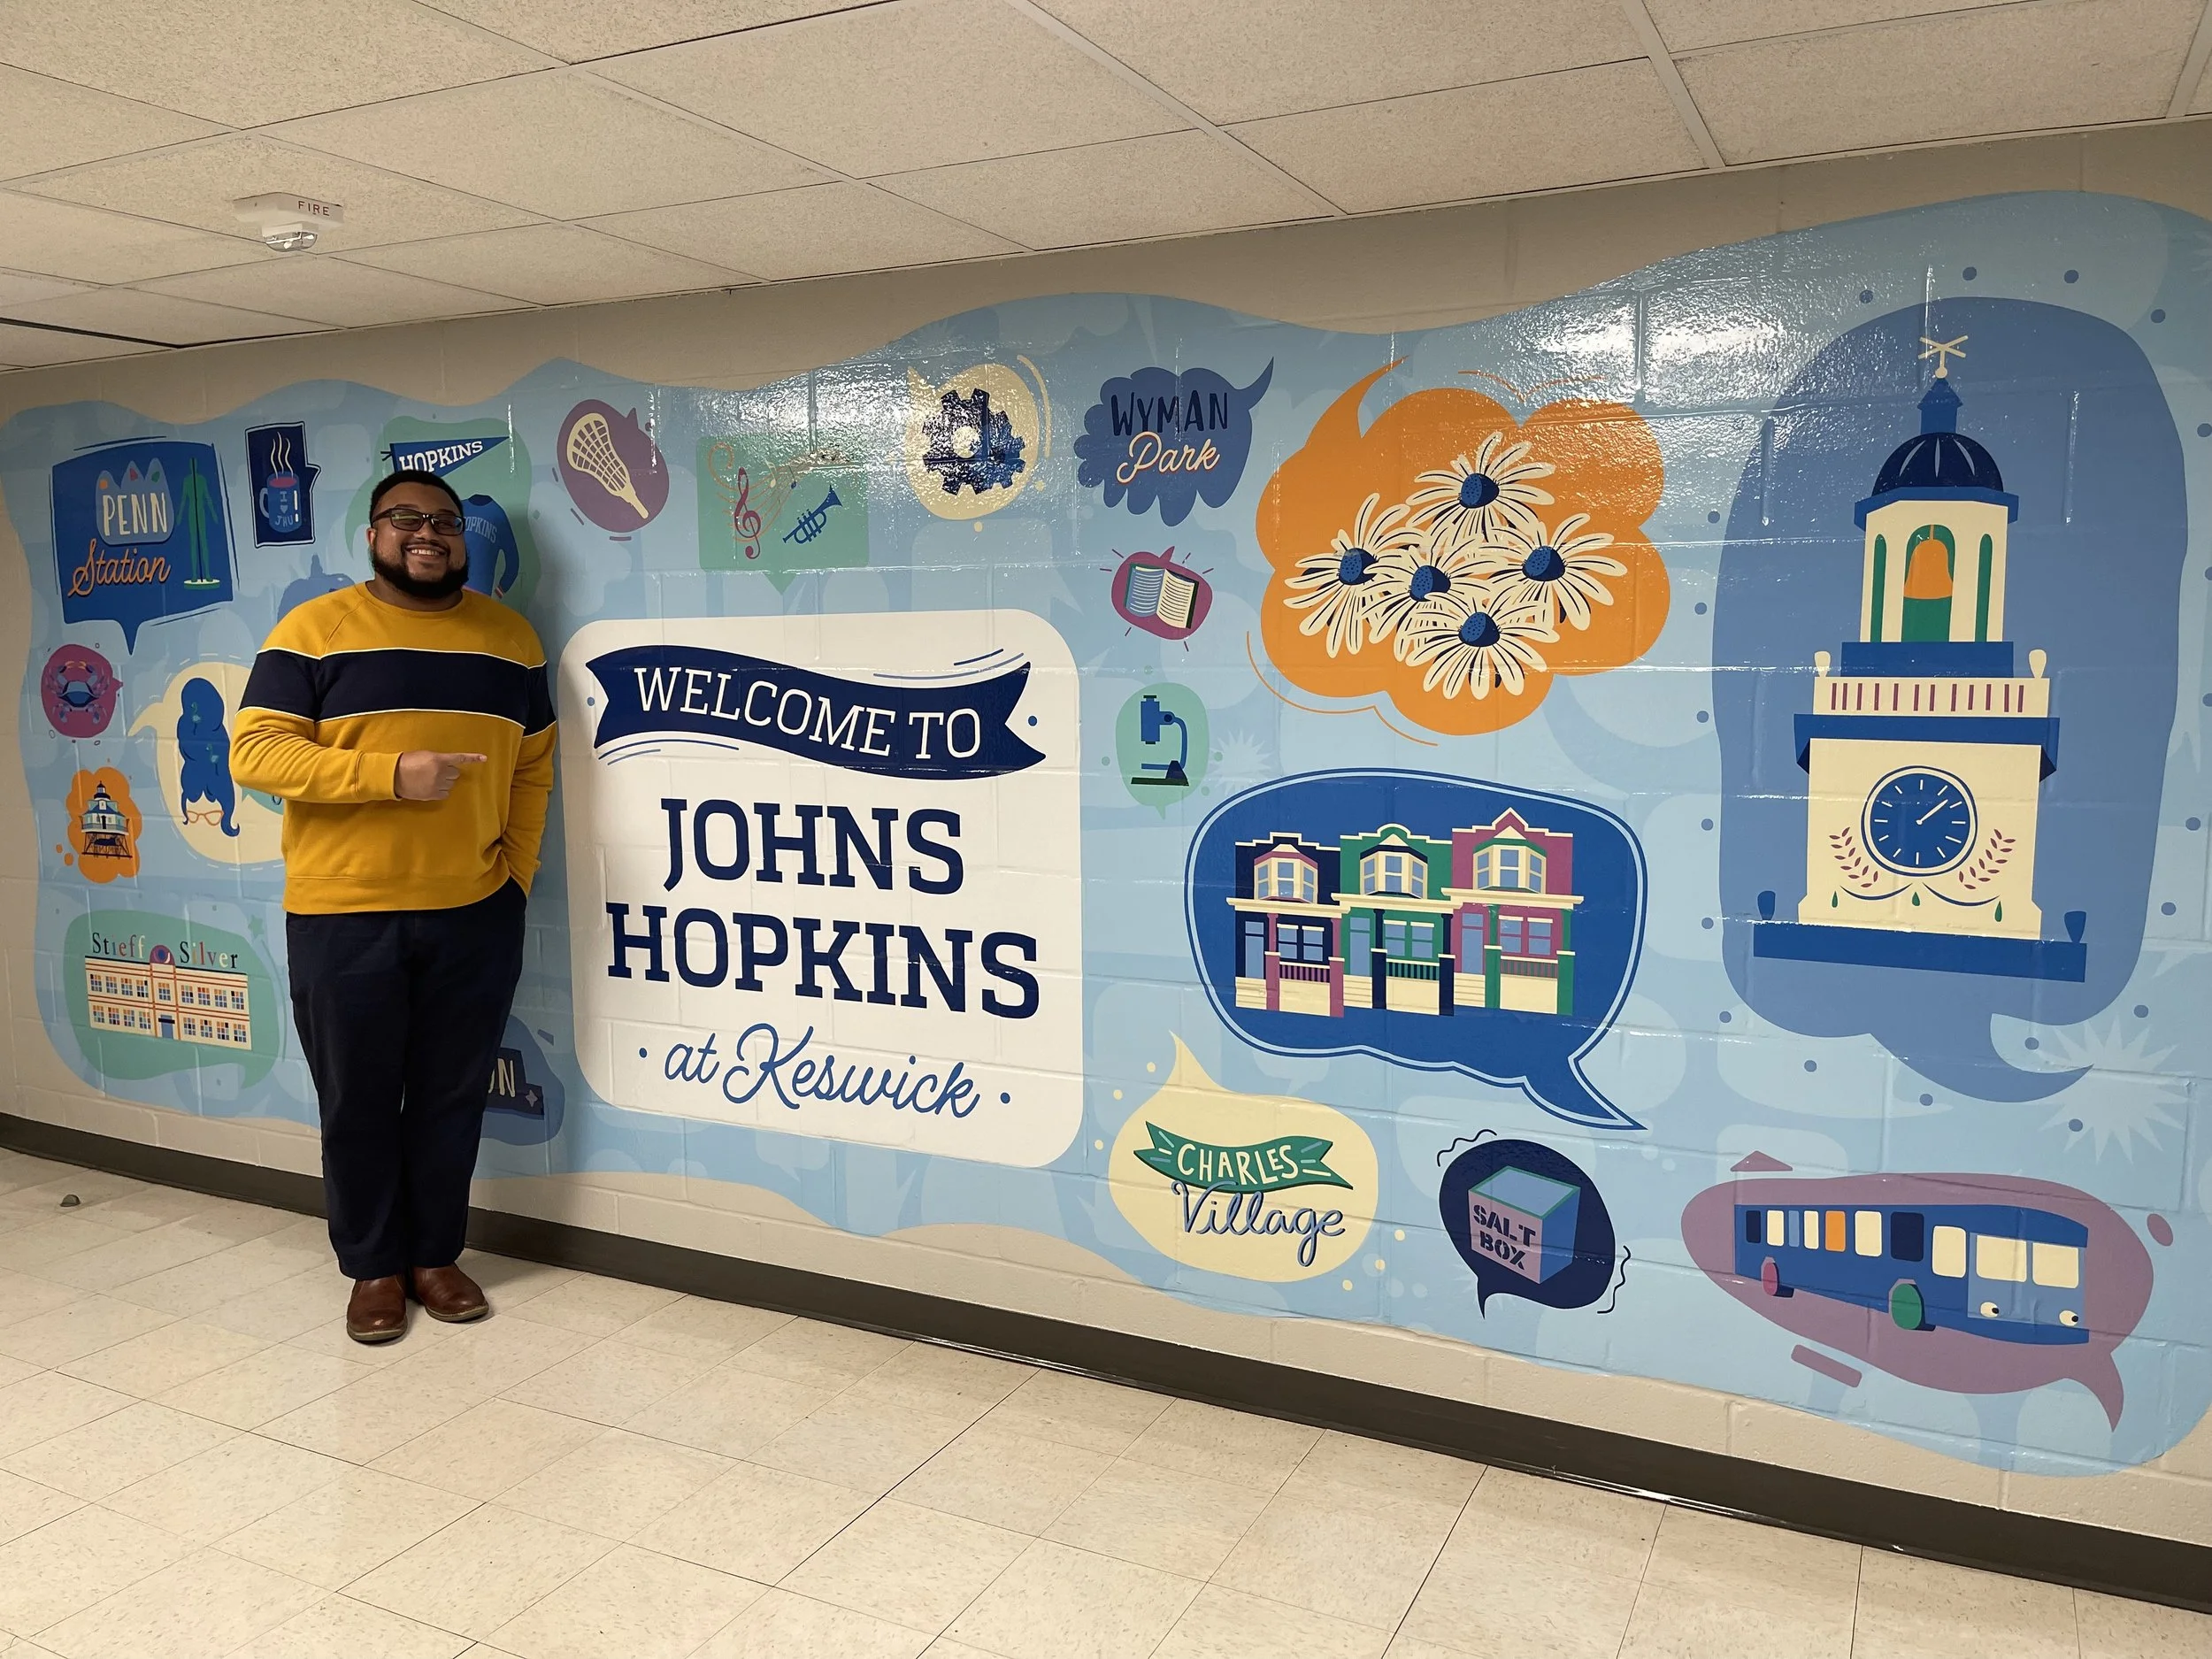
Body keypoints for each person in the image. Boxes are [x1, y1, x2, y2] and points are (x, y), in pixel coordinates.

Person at [234, 469, 556, 1343]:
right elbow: (256, 755)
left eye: (444, 521)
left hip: (475, 912)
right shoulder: (314, 631)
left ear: (463, 539)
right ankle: (374, 1267)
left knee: (451, 1096)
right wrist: (389, 776)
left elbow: (532, 769)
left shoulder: (511, 641)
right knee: (360, 1101)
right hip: (345, 915)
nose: (427, 534)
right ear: (372, 535)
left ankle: (436, 1256)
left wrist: (513, 877)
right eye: (405, 518)